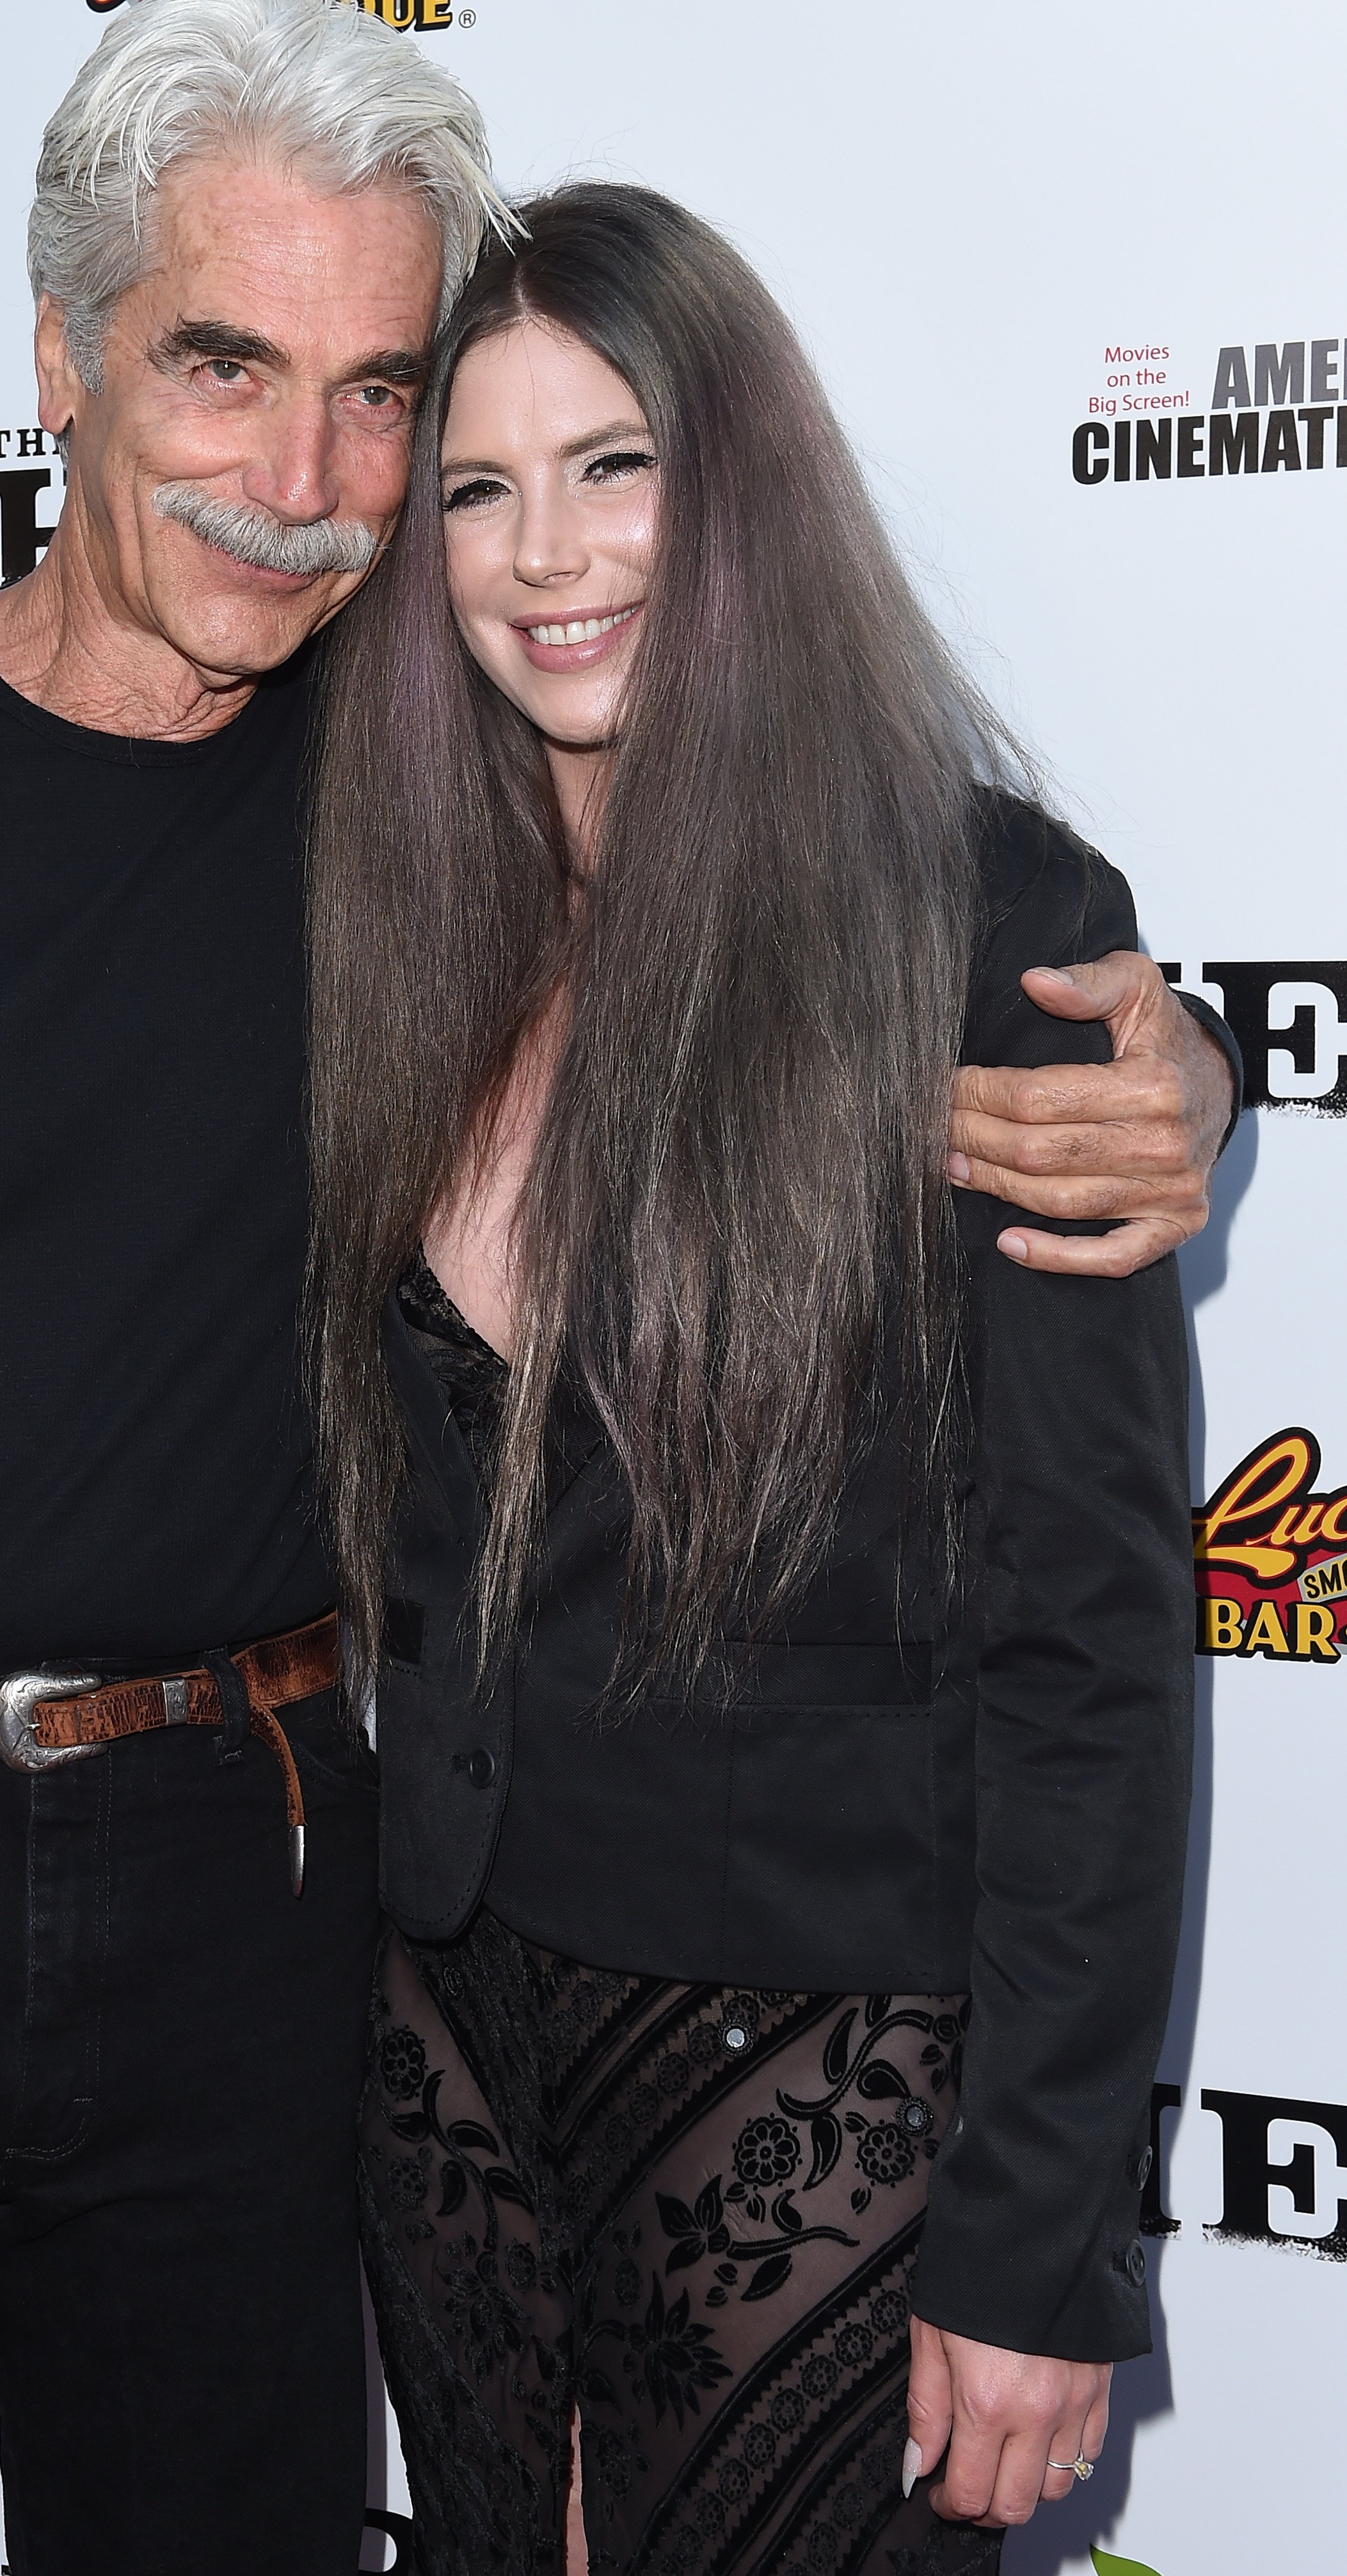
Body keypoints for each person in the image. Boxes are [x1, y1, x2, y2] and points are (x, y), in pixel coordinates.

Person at [0, 0, 1227, 2576]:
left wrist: (1179, 1079)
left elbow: (818, 888)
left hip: (262, 1919)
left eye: (381, 393)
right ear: (59, 348)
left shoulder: (415, 792)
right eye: (221, 363)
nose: (303, 476)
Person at [308, 184, 1199, 2576]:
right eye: (476, 490)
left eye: (615, 464)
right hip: (451, 2042)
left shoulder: (991, 932)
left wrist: (1042, 2242)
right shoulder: (384, 930)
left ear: (743, 485)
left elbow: (1095, 1646)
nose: (540, 553)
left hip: (821, 2071)